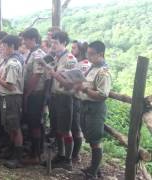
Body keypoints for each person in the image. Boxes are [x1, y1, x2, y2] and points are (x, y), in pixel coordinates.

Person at [74, 41, 111, 179]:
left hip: (95, 108)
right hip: (85, 106)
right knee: (90, 137)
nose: (88, 57)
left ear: (100, 54)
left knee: (95, 139)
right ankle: (95, 167)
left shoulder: (103, 72)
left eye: (91, 54)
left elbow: (102, 95)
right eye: (88, 53)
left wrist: (85, 89)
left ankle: (93, 173)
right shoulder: (92, 68)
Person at [0, 35, 24, 169]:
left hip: (12, 98)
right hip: (6, 97)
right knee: (9, 126)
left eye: (4, 46)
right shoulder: (7, 60)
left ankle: (18, 158)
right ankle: (11, 151)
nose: (1, 49)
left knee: (15, 127)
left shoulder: (12, 63)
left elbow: (10, 85)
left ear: (11, 47)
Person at [47, 31, 77, 171]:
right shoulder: (57, 57)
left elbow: (70, 84)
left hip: (64, 97)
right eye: (52, 42)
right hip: (55, 96)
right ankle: (60, 154)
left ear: (64, 43)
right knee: (57, 128)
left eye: (56, 43)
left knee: (65, 129)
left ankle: (68, 160)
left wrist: (54, 74)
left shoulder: (69, 59)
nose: (52, 45)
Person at [20, 28, 47, 165]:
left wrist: (27, 93)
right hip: (31, 93)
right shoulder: (31, 53)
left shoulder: (38, 54)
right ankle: (34, 151)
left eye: (26, 39)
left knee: (35, 123)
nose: (24, 42)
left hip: (36, 94)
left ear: (33, 39)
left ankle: (36, 154)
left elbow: (36, 76)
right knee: (31, 123)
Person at [70, 40, 91, 163]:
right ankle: (73, 152)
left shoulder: (84, 64)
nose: (72, 50)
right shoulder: (77, 62)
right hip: (73, 96)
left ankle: (76, 154)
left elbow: (80, 81)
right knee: (72, 125)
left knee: (76, 126)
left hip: (78, 98)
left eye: (74, 48)